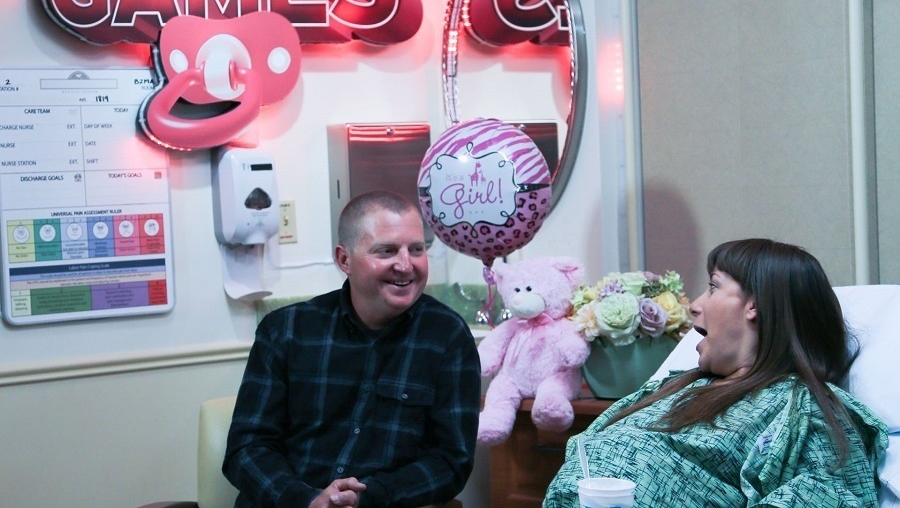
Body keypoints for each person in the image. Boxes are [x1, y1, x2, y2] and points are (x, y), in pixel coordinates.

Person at [544, 238, 888, 508]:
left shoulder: (802, 410)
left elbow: (828, 495)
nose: (695, 305)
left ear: (755, 304)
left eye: (713, 286)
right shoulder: (678, 386)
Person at [224, 190, 481, 508]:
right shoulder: (286, 330)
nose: (406, 265)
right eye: (387, 251)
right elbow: (247, 447)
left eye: (416, 249)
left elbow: (451, 461)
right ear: (344, 259)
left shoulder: (447, 335)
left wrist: (367, 497)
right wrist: (306, 500)